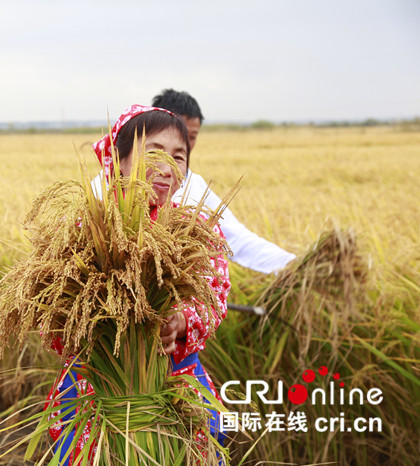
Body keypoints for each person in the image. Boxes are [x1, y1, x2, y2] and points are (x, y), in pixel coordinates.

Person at [47, 105, 231, 463]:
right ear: (119, 159)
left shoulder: (197, 230)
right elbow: (50, 316)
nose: (168, 168)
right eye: (154, 153)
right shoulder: (85, 229)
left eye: (179, 157)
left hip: (176, 381)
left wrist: (179, 322)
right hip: (97, 388)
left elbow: (214, 297)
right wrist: (97, 327)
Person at [152, 88, 296, 274]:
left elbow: (236, 238)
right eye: (177, 133)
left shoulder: (195, 186)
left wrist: (294, 265)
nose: (185, 144)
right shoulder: (117, 183)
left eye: (192, 136)